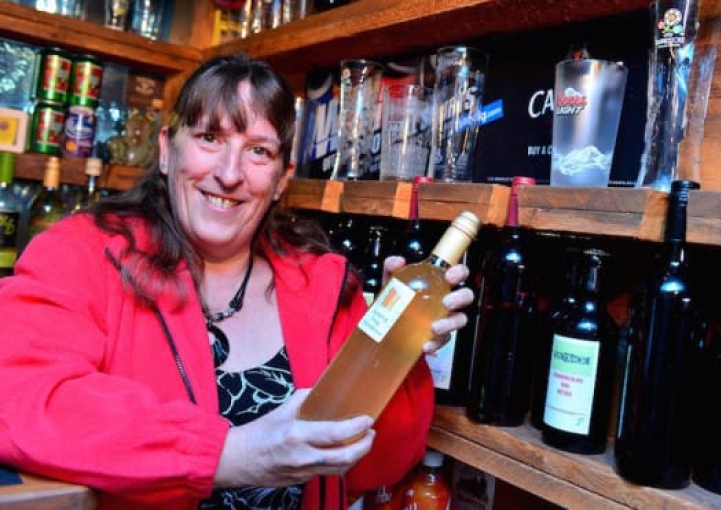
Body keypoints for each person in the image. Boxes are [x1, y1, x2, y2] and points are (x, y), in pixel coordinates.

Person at [0, 54, 474, 509]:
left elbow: (379, 467)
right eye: (209, 137)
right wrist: (232, 454)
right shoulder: (83, 254)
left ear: (282, 178)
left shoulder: (325, 283)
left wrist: (395, 354)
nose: (229, 174)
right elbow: (20, 395)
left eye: (259, 151)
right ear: (167, 149)